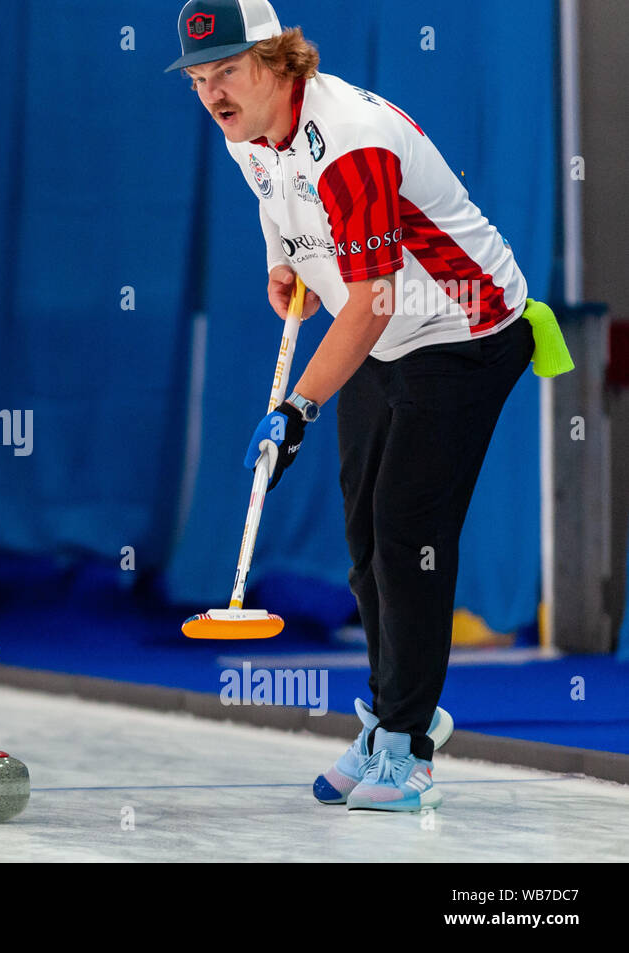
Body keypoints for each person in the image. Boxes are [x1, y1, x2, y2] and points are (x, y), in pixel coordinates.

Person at [167, 0, 569, 811]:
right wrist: (286, 265)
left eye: (228, 72)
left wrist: (298, 410)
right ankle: (391, 714)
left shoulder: (350, 143)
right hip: (389, 332)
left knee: (407, 529)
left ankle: (410, 747)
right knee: (363, 532)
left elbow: (374, 300)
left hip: (463, 327)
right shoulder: (247, 127)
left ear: (281, 61)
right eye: (200, 79)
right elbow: (280, 202)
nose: (212, 93)